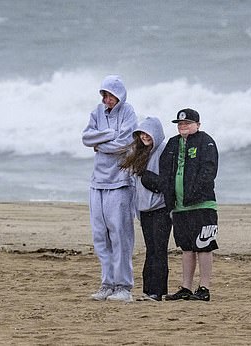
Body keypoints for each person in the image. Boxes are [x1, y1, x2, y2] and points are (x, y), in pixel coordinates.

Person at [82, 75, 138, 302]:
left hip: (120, 182)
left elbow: (125, 143)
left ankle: (123, 287)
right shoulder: (97, 112)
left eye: (110, 95)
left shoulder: (128, 112)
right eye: (103, 95)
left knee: (120, 236)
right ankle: (107, 283)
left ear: (119, 94)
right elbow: (86, 137)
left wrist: (100, 144)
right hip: (97, 183)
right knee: (100, 236)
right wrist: (108, 136)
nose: (106, 100)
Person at [159, 108, 218, 302]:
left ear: (197, 125)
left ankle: (204, 288)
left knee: (204, 245)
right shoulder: (172, 143)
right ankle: (185, 287)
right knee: (186, 247)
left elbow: (209, 170)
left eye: (187, 123)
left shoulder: (206, 141)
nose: (183, 126)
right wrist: (170, 198)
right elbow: (165, 171)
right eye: (180, 124)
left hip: (202, 204)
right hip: (179, 206)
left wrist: (194, 193)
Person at [119, 117, 172, 301]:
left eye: (148, 133)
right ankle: (148, 290)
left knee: (159, 249)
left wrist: (147, 176)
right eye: (141, 133)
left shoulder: (164, 150)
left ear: (156, 133)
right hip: (144, 210)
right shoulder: (139, 152)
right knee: (151, 249)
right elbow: (134, 184)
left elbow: (166, 181)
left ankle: (158, 292)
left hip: (161, 208)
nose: (144, 137)